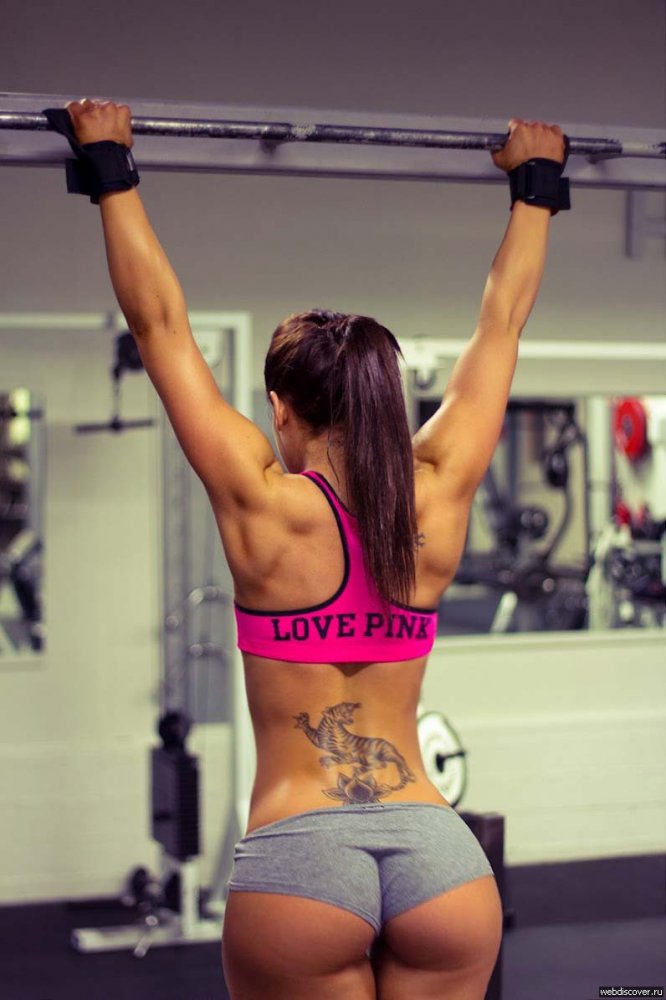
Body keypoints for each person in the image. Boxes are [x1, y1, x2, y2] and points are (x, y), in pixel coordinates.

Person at [62, 100, 566, 999]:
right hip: (439, 857)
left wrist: (111, 167)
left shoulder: (264, 506)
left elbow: (161, 328)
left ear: (282, 410)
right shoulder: (438, 493)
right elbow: (502, 328)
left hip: (303, 859)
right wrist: (536, 186)